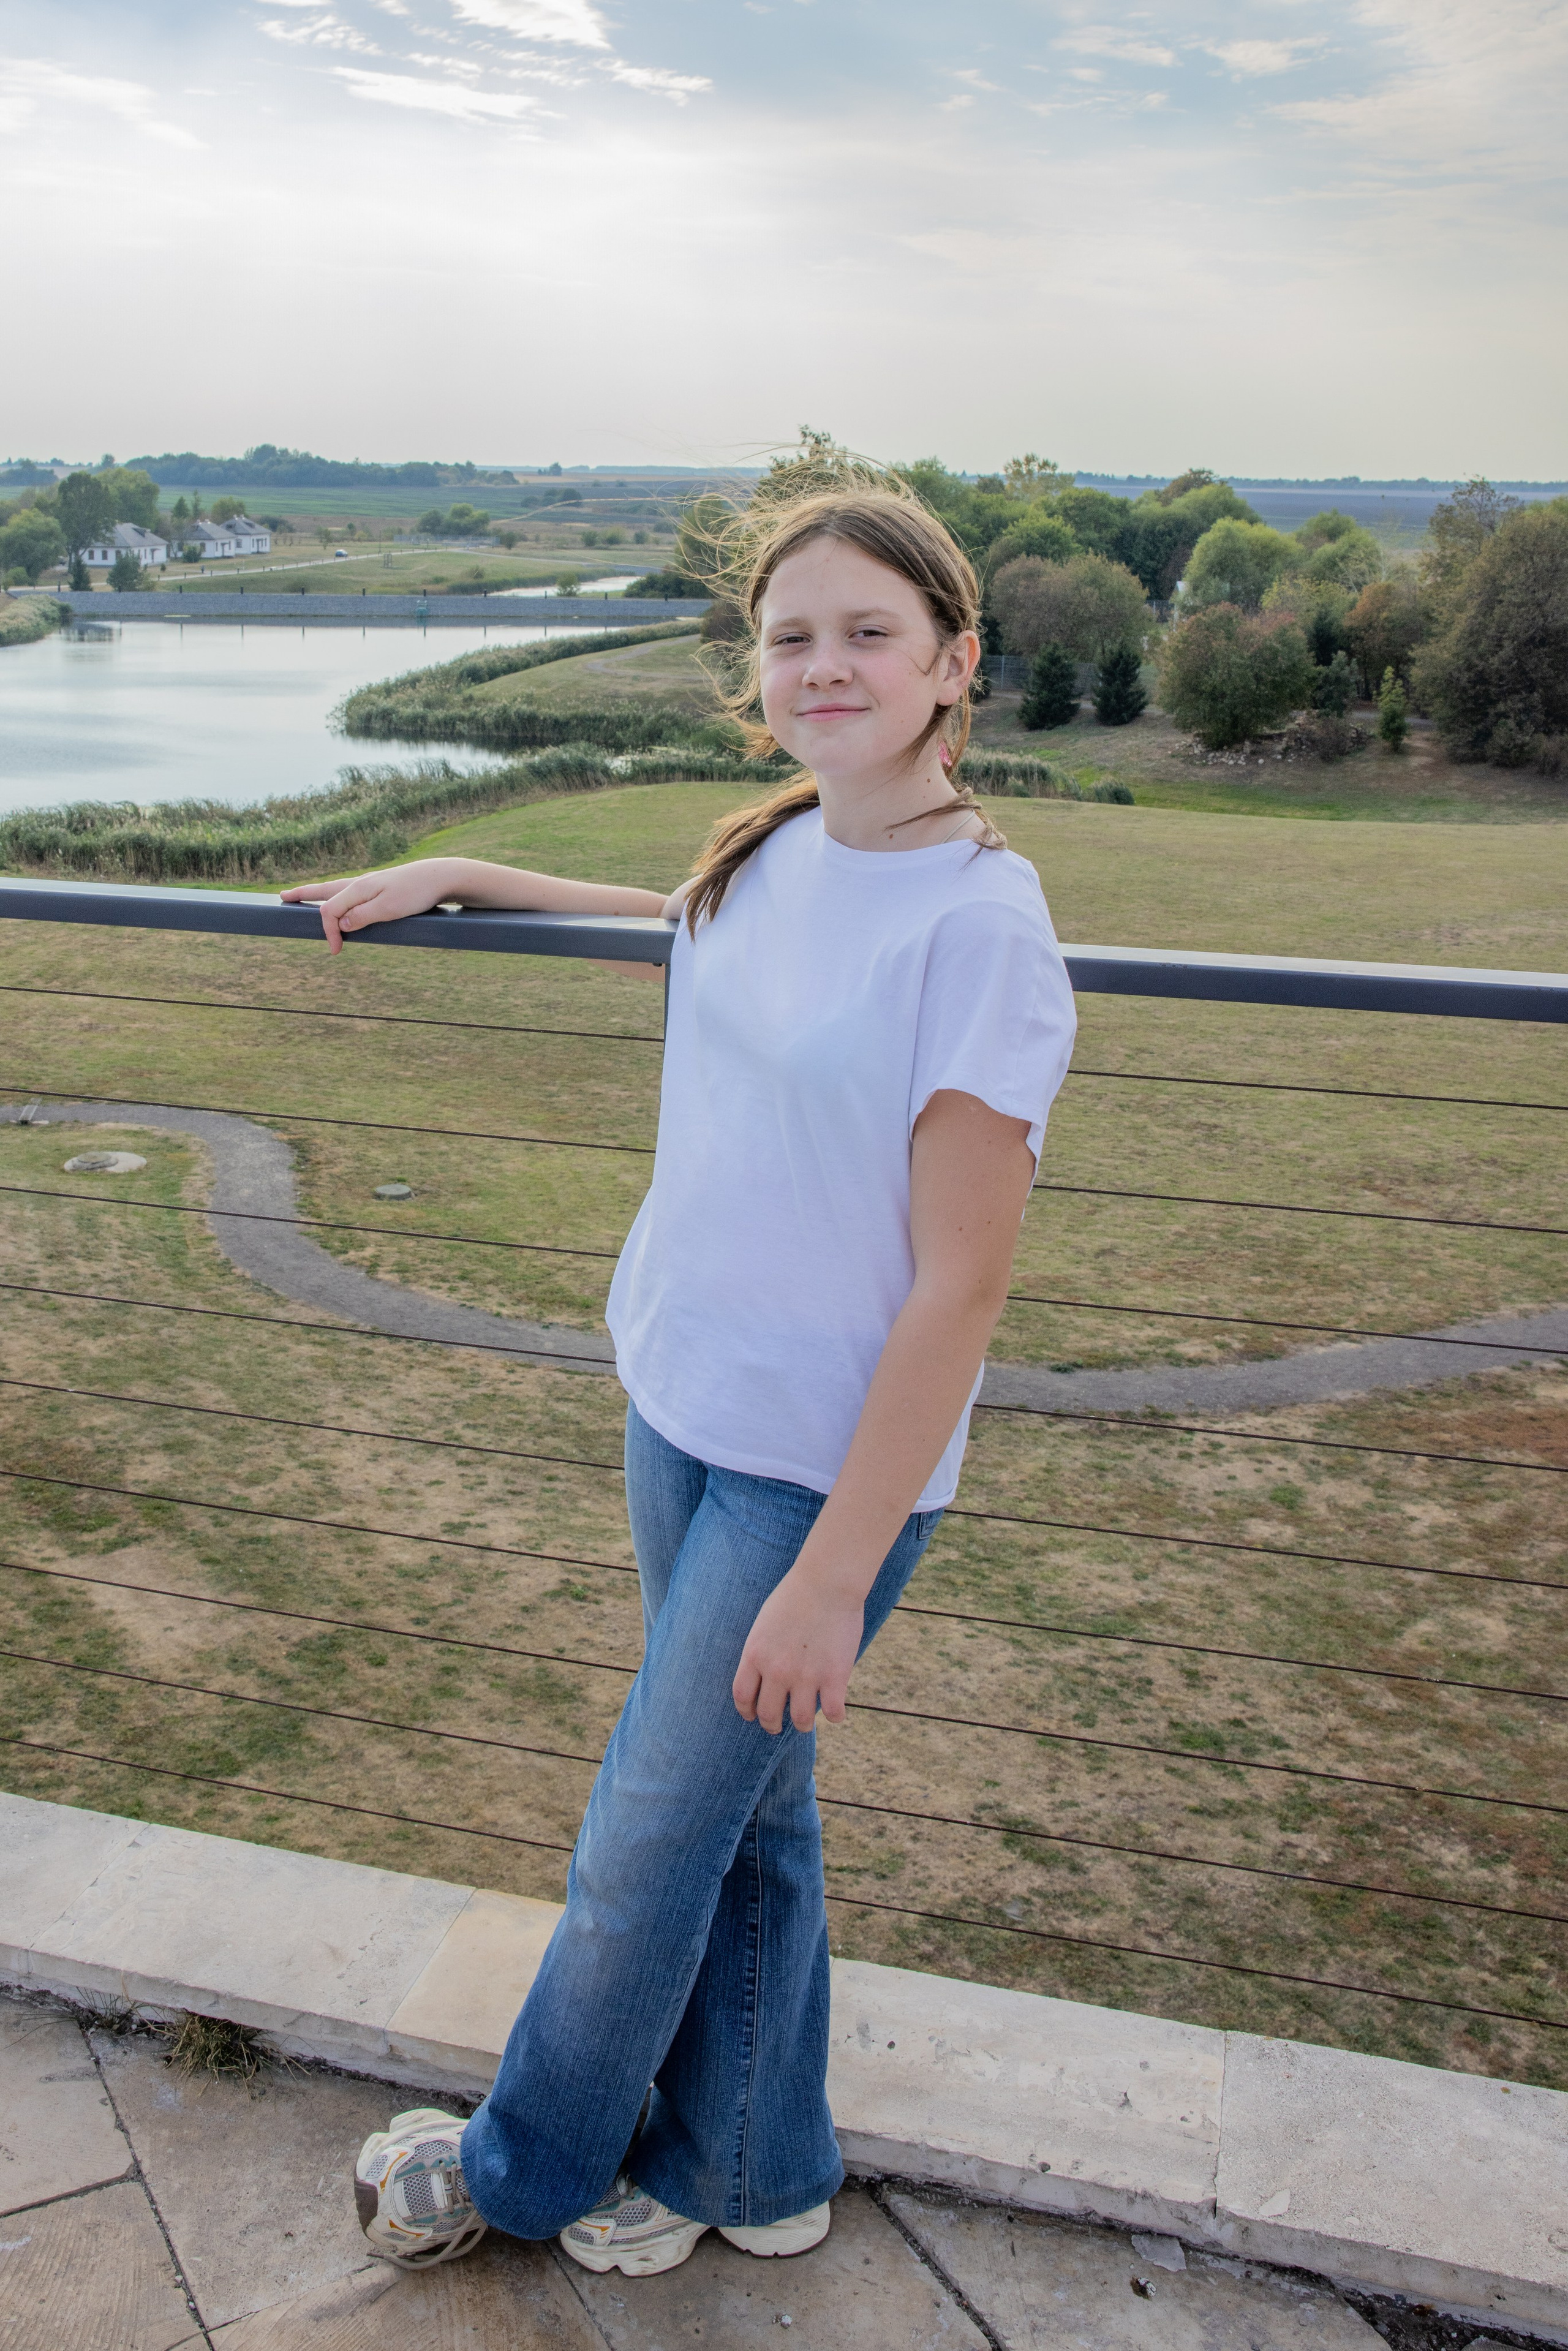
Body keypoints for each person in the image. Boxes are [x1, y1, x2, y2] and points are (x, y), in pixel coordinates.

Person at [284, 485, 1077, 2280]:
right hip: (682, 1401)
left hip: (816, 1478)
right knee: (750, 1821)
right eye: (790, 636)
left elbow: (962, 1292)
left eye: (868, 632)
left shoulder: (983, 930)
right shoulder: (782, 846)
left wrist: (828, 1573)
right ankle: (758, 2165)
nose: (823, 665)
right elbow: (697, 936)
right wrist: (466, 876)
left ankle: (524, 2166)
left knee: (647, 1838)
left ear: (957, 661)